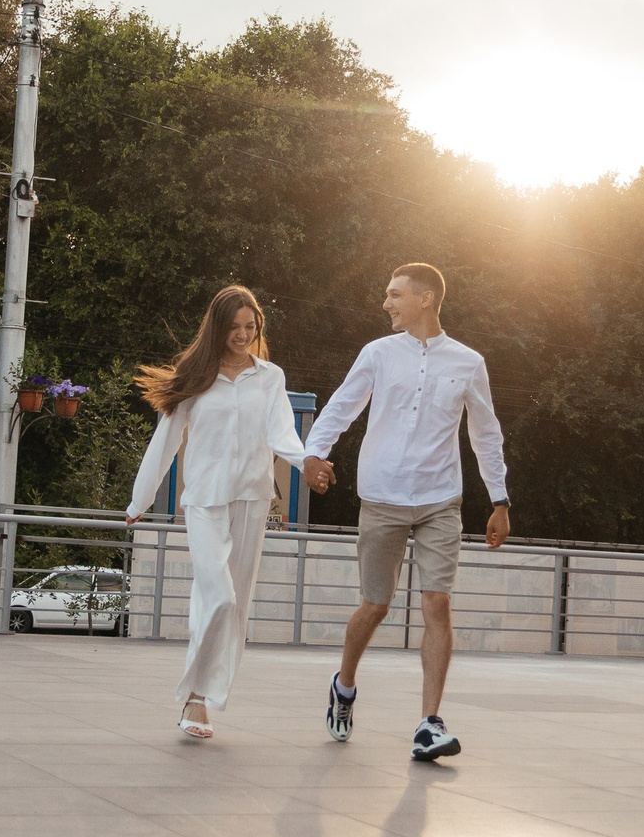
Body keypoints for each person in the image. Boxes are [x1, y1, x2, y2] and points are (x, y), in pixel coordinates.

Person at [301, 263, 510, 761]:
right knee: (376, 606)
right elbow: (341, 405)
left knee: (437, 603)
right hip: (383, 495)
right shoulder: (377, 354)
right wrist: (313, 454)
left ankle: (429, 724)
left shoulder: (468, 362)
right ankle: (344, 684)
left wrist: (499, 499)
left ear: (426, 298)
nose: (386, 303)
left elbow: (485, 433)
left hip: (441, 498)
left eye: (394, 295)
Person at [126, 285, 309, 739]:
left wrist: (310, 462)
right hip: (205, 500)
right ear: (219, 327)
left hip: (251, 498)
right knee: (219, 596)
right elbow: (165, 440)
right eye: (235, 327)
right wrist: (140, 500)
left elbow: (283, 432)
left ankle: (202, 698)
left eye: (251, 327)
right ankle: (194, 695)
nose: (243, 335)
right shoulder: (198, 375)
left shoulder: (270, 377)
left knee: (235, 606)